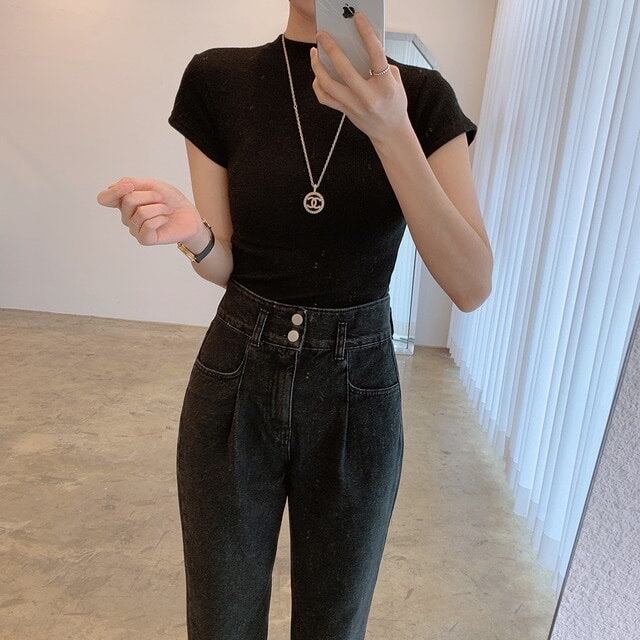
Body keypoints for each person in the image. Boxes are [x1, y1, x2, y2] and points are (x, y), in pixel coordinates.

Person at [96, 2, 492, 638]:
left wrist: (392, 130)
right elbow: (227, 263)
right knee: (221, 621)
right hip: (238, 371)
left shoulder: (422, 99)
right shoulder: (218, 80)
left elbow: (471, 285)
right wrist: (193, 233)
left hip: (358, 389)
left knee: (334, 624)